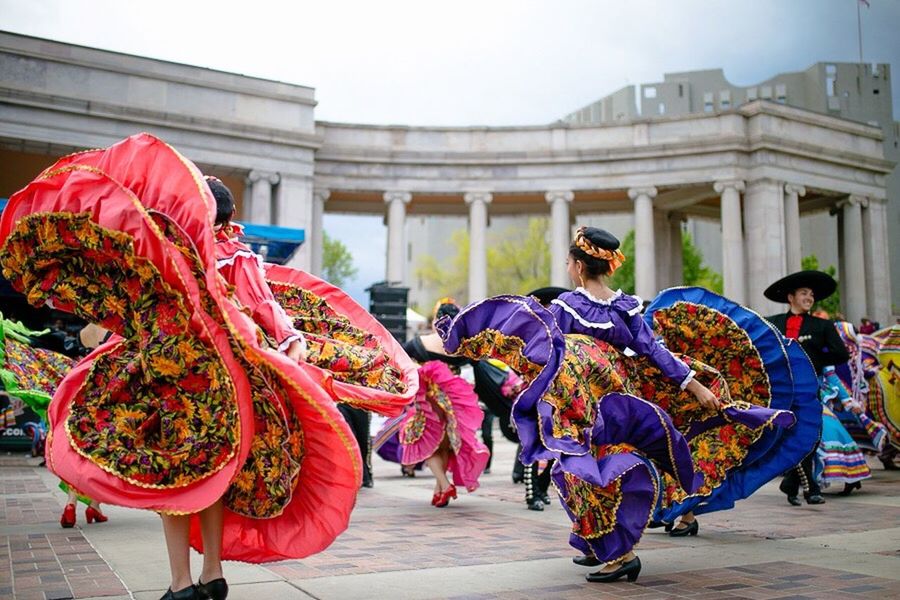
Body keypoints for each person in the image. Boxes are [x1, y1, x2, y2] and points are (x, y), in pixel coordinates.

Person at [0, 134, 416, 600]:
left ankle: (181, 584)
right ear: (230, 217)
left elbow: (135, 307)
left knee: (173, 479)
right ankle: (212, 574)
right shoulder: (235, 256)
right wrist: (291, 342)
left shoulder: (167, 251)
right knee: (212, 472)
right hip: (226, 382)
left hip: (173, 378)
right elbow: (267, 310)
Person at [437, 227, 810, 584]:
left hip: (584, 404)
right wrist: (693, 385)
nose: (569, 269)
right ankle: (598, 542)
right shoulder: (626, 307)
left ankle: (618, 554)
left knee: (583, 470)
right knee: (592, 469)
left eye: (569, 262)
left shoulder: (569, 306)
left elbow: (538, 340)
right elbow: (655, 351)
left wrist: (465, 331)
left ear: (579, 266)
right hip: (622, 402)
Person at [765, 270, 851, 506]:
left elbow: (841, 353)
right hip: (781, 391)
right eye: (804, 293)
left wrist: (814, 360)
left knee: (810, 435)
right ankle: (798, 483)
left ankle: (803, 484)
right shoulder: (773, 323)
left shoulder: (822, 326)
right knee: (788, 436)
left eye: (811, 295)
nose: (809, 298)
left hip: (809, 389)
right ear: (791, 297)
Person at [396, 299, 490, 507]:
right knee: (445, 448)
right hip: (455, 408)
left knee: (427, 445)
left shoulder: (421, 343)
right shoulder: (462, 347)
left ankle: (444, 485)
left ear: (437, 321)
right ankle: (439, 490)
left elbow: (400, 361)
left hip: (430, 406)